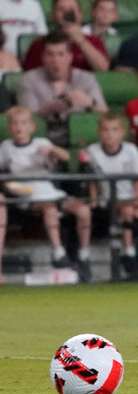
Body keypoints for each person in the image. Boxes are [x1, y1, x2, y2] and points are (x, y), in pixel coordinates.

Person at [0, 105, 92, 280]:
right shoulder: (6, 147)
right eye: (15, 123)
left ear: (31, 127)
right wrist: (10, 185)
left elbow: (65, 156)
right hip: (28, 194)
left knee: (83, 210)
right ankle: (58, 253)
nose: (19, 127)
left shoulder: (40, 142)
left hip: (50, 191)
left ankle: (84, 253)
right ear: (10, 127)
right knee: (50, 210)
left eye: (23, 123)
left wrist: (52, 151)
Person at [86, 113, 138, 282]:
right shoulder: (93, 151)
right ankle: (129, 252)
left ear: (122, 132)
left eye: (114, 130)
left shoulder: (131, 150)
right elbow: (92, 179)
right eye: (105, 130)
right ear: (99, 132)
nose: (109, 134)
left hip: (134, 196)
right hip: (111, 198)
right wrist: (93, 199)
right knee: (127, 210)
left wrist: (137, 200)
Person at [18, 31, 107, 146]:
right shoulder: (29, 80)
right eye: (50, 55)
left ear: (70, 57)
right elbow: (25, 119)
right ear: (43, 57)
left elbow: (105, 112)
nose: (56, 60)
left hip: (82, 140)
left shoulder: (86, 78)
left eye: (61, 54)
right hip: (43, 142)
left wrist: (90, 102)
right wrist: (50, 108)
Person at [22, 0, 111, 73]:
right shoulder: (39, 45)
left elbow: (103, 69)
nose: (67, 13)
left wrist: (81, 41)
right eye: (61, 9)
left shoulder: (94, 41)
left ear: (80, 16)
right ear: (53, 15)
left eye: (71, 10)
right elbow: (30, 78)